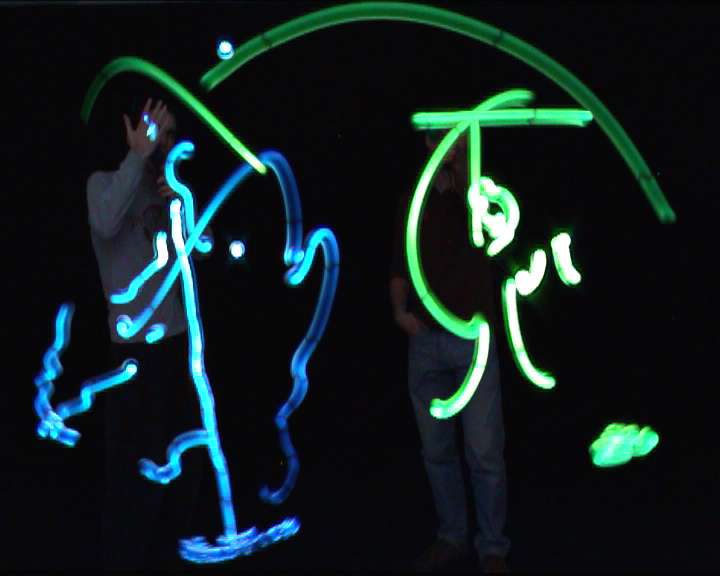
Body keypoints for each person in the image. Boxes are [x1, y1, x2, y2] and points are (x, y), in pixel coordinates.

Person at [86, 97, 207, 570]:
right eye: (159, 132)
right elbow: (104, 221)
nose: (167, 144)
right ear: (133, 129)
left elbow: (199, 253)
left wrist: (183, 206)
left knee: (183, 466)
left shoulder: (166, 188)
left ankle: (170, 555)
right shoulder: (103, 183)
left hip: (176, 345)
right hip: (132, 356)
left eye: (172, 134)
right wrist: (137, 157)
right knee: (131, 479)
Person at [390, 130, 511, 573]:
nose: (445, 142)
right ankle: (452, 536)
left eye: (453, 135)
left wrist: (461, 167)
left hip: (472, 340)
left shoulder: (477, 192)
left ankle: (492, 548)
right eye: (436, 137)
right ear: (425, 142)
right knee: (436, 450)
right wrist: (399, 311)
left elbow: (491, 225)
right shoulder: (414, 197)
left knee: (484, 451)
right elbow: (400, 262)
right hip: (424, 340)